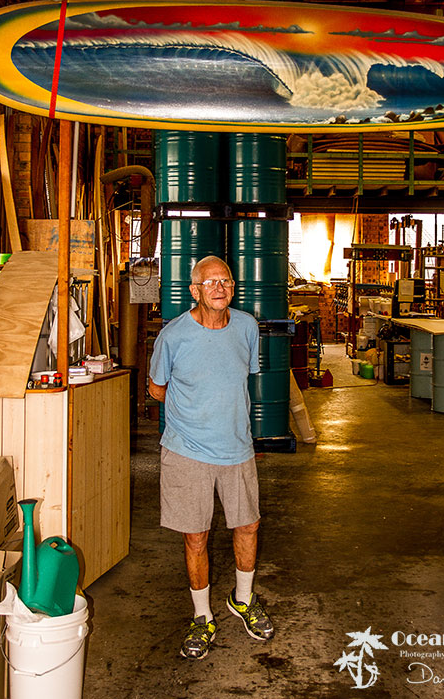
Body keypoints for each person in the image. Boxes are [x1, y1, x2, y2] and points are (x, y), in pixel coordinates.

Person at [149, 255, 274, 660]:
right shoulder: (173, 336)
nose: (219, 287)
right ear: (194, 290)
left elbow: (242, 377)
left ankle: (242, 600)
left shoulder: (247, 327)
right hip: (188, 451)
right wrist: (193, 411)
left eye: (226, 281)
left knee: (248, 527)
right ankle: (202, 617)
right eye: (210, 281)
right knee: (196, 536)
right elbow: (156, 389)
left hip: (237, 447)